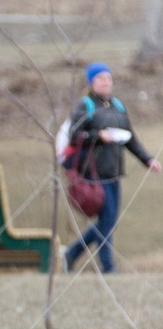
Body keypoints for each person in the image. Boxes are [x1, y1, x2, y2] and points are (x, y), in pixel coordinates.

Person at [63, 62, 161, 273]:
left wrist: (148, 160)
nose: (106, 82)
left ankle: (71, 253)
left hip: (114, 172)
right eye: (101, 78)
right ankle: (108, 268)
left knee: (108, 221)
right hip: (93, 172)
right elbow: (74, 136)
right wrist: (98, 136)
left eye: (109, 78)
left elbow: (130, 139)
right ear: (91, 82)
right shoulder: (85, 105)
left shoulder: (118, 106)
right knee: (107, 220)